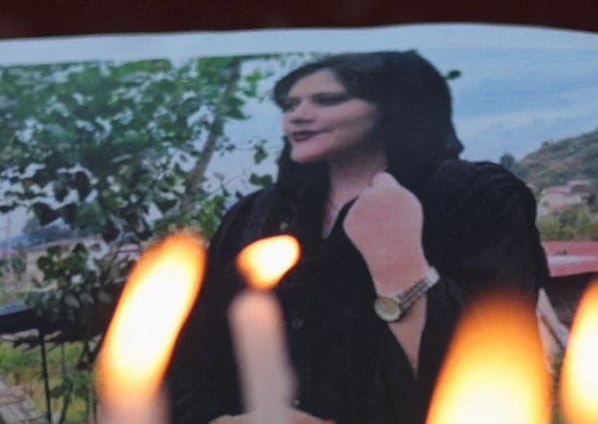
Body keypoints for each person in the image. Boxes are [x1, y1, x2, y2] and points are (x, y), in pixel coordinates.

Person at [166, 51, 550, 424]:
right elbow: (189, 354)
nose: (298, 115)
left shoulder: (472, 195)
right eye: (290, 104)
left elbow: (495, 361)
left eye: (327, 100)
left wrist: (398, 261)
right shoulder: (255, 215)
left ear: (391, 107)